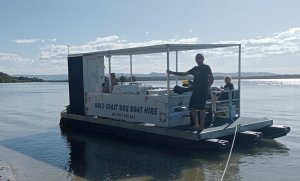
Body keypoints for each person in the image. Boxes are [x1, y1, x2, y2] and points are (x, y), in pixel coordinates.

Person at [167, 53, 214, 131]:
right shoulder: (195, 68)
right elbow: (184, 73)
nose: (198, 59)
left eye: (200, 58)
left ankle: (201, 126)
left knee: (202, 108)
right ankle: (196, 125)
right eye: (196, 58)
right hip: (195, 91)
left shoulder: (206, 67)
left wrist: (208, 87)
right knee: (192, 108)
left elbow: (212, 78)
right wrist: (172, 72)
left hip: (203, 91)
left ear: (203, 59)